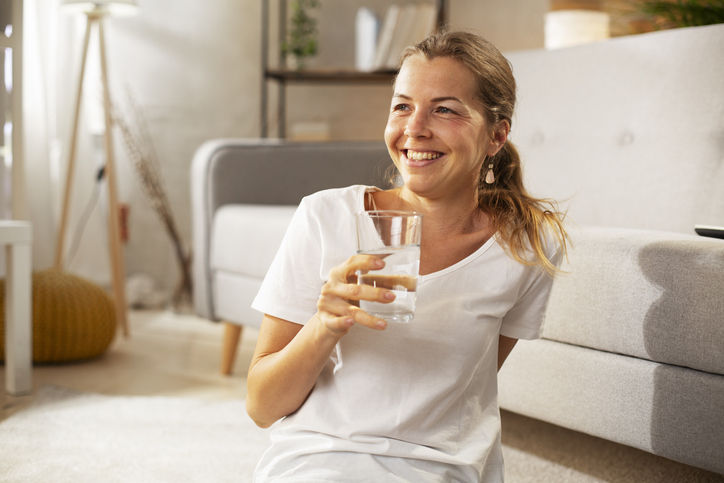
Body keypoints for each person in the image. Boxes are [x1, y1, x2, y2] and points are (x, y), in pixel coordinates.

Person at [246, 29, 568, 482]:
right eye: (402, 106)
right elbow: (262, 407)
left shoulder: (525, 247)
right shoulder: (326, 216)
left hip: (441, 469)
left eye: (444, 109)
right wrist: (324, 325)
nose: (413, 129)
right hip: (320, 462)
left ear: (497, 135)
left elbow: (465, 395)